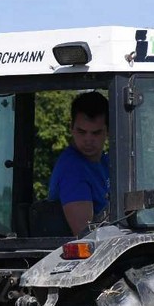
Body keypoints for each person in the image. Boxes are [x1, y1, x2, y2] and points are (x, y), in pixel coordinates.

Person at [48, 90, 110, 235]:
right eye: (81, 132)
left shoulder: (108, 162)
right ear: (71, 128)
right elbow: (85, 234)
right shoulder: (72, 170)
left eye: (96, 133)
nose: (88, 140)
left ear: (108, 130)